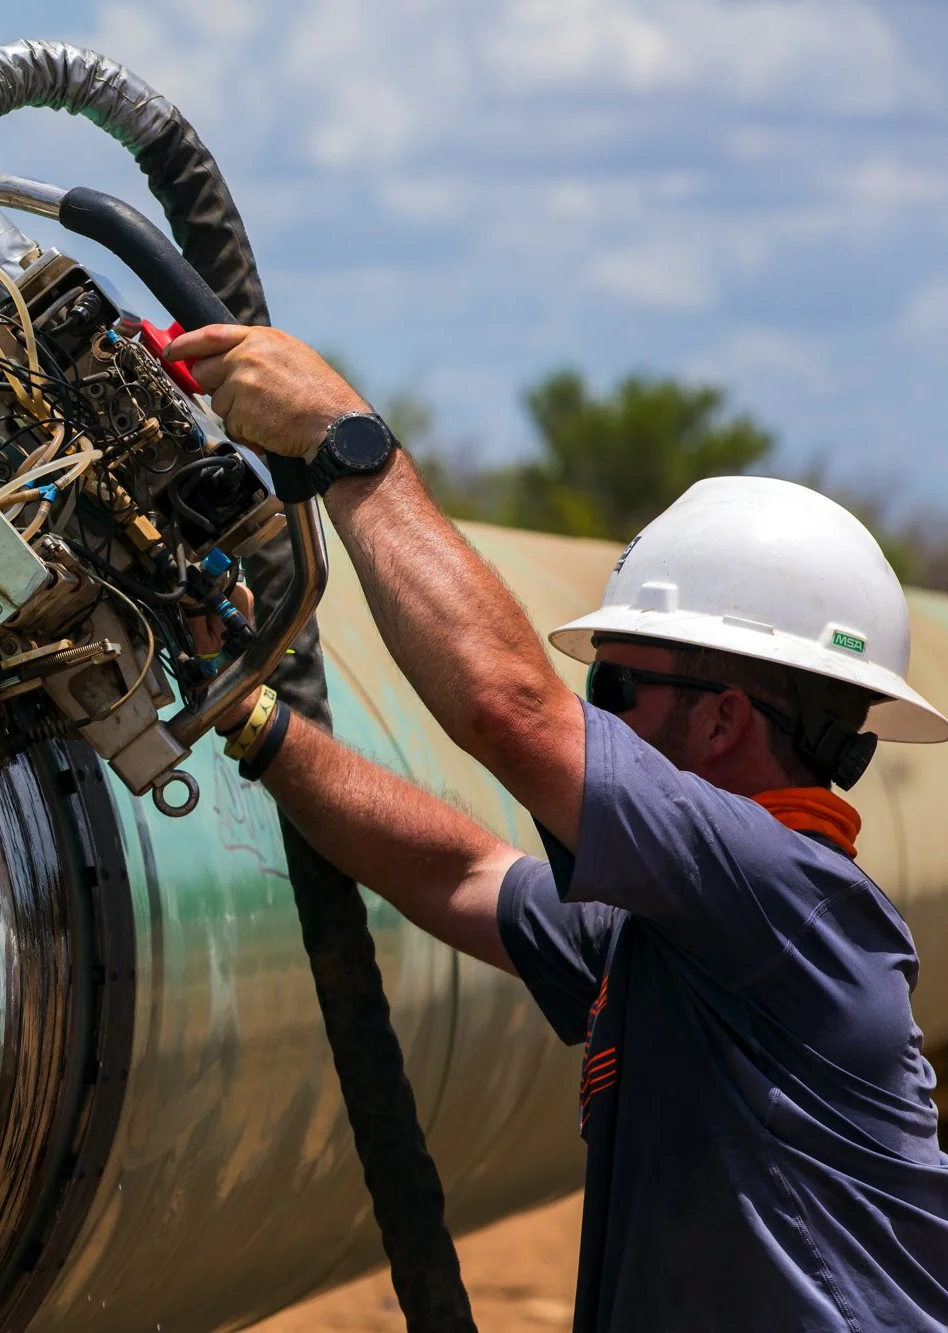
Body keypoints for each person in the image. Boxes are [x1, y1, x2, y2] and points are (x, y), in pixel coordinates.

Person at [161, 323, 948, 1331]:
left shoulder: (785, 896)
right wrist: (250, 713)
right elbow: (462, 874)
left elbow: (509, 710)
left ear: (721, 719)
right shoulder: (688, 938)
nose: (592, 712)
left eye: (612, 684)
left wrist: (345, 438)